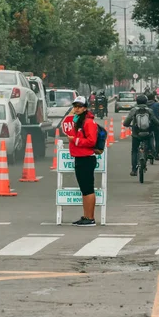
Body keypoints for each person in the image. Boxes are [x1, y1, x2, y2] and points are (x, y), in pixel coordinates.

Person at [66, 96, 98, 226]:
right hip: (79, 157)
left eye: (79, 106)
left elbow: (92, 141)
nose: (77, 109)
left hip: (86, 158)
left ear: (85, 108)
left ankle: (90, 218)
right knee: (84, 190)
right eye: (75, 106)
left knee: (88, 189)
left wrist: (75, 140)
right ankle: (86, 216)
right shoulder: (79, 121)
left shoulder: (88, 122)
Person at [124, 94, 159, 176]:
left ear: (137, 101)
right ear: (146, 101)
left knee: (134, 151)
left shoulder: (133, 110)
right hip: (147, 133)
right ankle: (151, 152)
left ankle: (133, 170)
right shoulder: (149, 110)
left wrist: (127, 125)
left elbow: (126, 122)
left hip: (136, 134)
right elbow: (155, 121)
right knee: (151, 137)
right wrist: (158, 125)